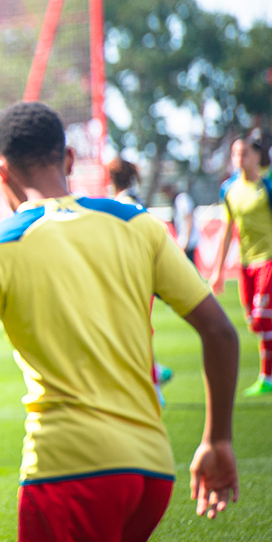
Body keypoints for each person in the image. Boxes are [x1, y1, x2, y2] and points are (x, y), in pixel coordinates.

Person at [0, 102, 240, 542]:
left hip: (69, 473)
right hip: (151, 473)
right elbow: (220, 331)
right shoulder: (137, 224)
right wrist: (217, 439)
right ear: (69, 159)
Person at [210, 129, 272, 396]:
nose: (239, 157)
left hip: (269, 259)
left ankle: (266, 378)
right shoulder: (229, 190)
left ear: (256, 156)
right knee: (254, 322)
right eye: (235, 153)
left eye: (244, 153)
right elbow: (227, 231)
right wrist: (217, 272)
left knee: (263, 318)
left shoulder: (269, 190)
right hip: (245, 263)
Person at [106, 156, 173, 404]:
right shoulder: (135, 202)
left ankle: (153, 385)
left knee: (134, 330)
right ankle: (154, 374)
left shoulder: (122, 205)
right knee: (136, 329)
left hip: (130, 276)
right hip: (140, 274)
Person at [164, 182, 199, 263]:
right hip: (184, 240)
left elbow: (188, 219)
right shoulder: (177, 201)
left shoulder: (182, 199)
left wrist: (186, 240)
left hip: (189, 241)